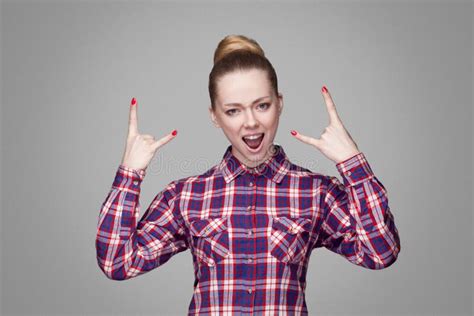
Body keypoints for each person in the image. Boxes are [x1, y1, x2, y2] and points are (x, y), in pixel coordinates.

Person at [96, 34, 401, 315]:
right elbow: (117, 262)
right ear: (214, 116)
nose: (251, 122)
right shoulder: (186, 196)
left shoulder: (316, 192)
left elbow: (380, 252)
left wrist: (352, 162)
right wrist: (130, 172)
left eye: (262, 105)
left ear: (279, 104)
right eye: (233, 111)